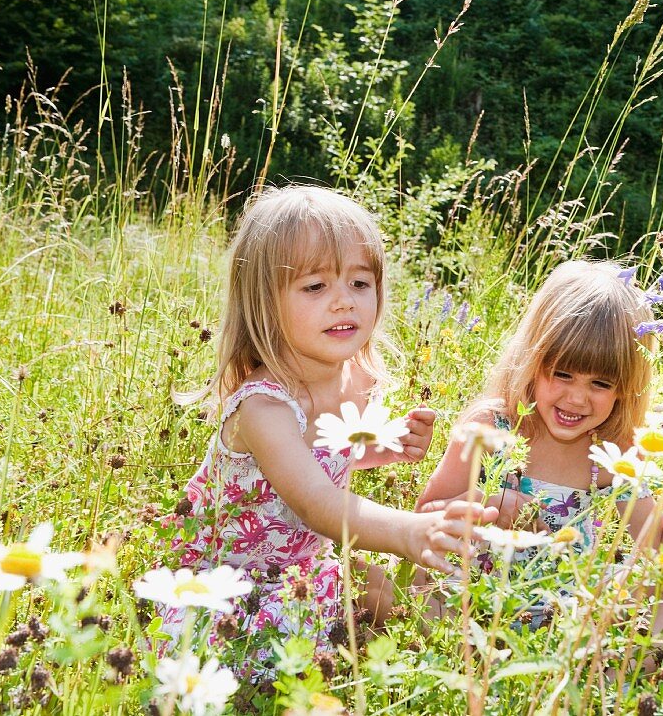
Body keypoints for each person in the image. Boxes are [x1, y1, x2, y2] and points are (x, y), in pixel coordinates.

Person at [164, 185, 495, 644]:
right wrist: (408, 531)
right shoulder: (264, 408)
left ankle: (474, 666)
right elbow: (316, 503)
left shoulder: (354, 379)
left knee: (419, 600)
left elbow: (326, 455)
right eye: (316, 286)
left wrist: (387, 447)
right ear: (264, 301)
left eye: (360, 283)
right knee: (288, 656)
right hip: (229, 586)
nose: (344, 301)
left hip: (303, 566)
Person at [416, 259, 663, 639]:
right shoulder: (492, 426)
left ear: (625, 388)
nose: (576, 399)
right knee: (431, 576)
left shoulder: (613, 449)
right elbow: (424, 516)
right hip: (481, 599)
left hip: (572, 613)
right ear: (533, 358)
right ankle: (466, 664)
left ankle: (607, 678)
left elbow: (657, 547)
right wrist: (497, 503)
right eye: (562, 374)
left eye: (601, 384)